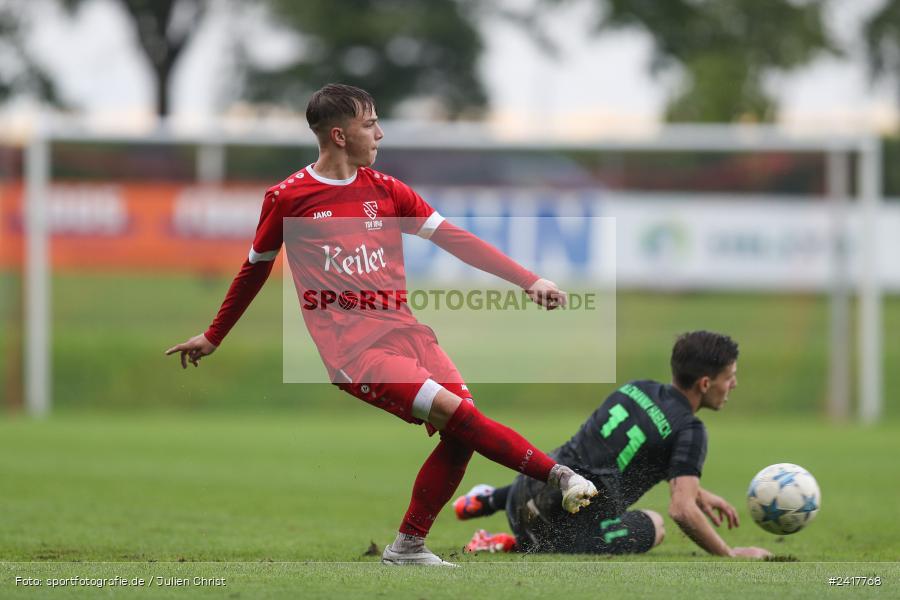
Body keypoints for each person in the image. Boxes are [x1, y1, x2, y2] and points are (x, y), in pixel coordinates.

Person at [165, 83, 597, 567]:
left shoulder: (386, 190)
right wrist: (214, 334)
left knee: (461, 435)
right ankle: (558, 476)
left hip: (409, 336)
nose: (380, 133)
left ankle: (407, 547)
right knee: (461, 416)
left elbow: (454, 239)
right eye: (370, 123)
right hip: (356, 354)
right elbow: (255, 268)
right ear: (339, 134)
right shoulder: (288, 198)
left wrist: (528, 279)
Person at [454, 331, 772, 559]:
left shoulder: (636, 388)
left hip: (522, 493)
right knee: (656, 525)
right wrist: (730, 553)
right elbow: (681, 510)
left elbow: (634, 453)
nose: (733, 384)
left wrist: (698, 492)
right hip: (556, 531)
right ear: (705, 383)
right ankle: (510, 544)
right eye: (729, 377)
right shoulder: (690, 429)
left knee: (575, 464)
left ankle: (487, 499)